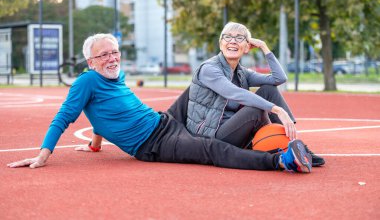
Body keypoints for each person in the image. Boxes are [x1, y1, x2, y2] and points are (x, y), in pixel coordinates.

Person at [7, 33, 312, 173]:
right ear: (90, 61)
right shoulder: (86, 81)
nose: (112, 58)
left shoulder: (115, 74)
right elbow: (65, 116)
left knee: (196, 88)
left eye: (115, 52)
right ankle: (279, 161)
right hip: (152, 144)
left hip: (164, 120)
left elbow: (101, 111)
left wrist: (95, 143)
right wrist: (42, 155)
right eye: (104, 55)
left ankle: (296, 147)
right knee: (211, 150)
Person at [168, 22, 324, 167]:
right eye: (227, 37)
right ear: (220, 44)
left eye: (239, 38)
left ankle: (294, 145)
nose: (233, 41)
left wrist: (264, 47)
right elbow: (233, 92)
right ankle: (279, 147)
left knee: (269, 90)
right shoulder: (209, 69)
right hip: (209, 136)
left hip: (232, 130)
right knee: (255, 108)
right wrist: (276, 109)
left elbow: (279, 79)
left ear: (247, 47)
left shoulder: (241, 73)